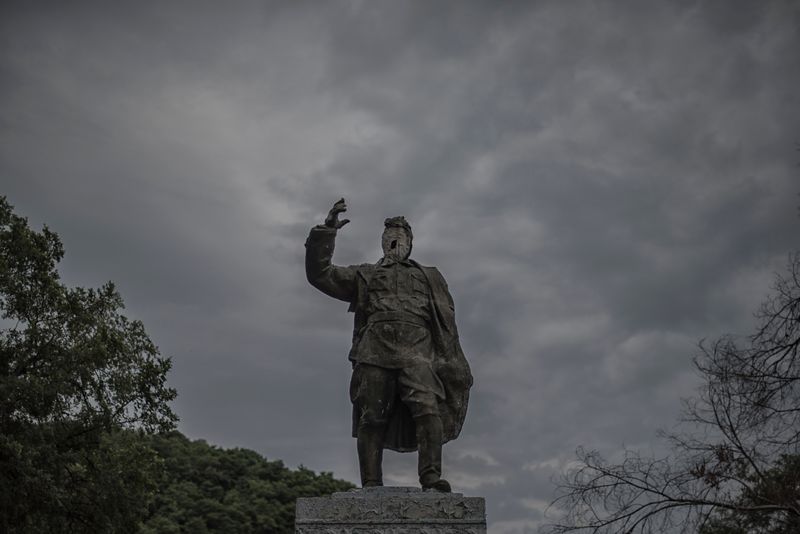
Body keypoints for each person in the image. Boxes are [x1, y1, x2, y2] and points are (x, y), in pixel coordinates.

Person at [305, 198, 472, 492]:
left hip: (417, 351)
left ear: (410, 242)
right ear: (382, 242)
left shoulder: (430, 276)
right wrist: (326, 232)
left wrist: (449, 360)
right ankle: (371, 482)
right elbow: (321, 274)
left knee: (428, 409)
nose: (394, 239)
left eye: (400, 235)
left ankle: (430, 476)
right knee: (372, 416)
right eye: (388, 235)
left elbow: (447, 323)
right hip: (374, 349)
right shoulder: (365, 274)